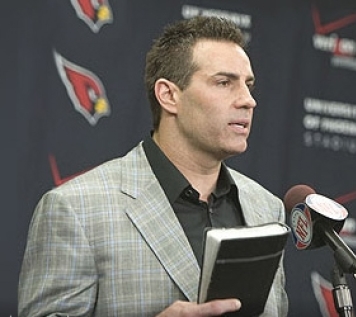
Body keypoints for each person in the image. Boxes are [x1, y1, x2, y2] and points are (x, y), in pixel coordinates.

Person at [18, 15, 289, 317]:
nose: (248, 100)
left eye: (248, 85)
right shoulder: (77, 209)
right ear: (169, 95)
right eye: (224, 83)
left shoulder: (267, 209)